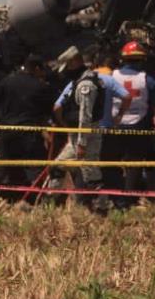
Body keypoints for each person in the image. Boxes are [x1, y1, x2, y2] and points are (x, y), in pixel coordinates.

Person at [50, 53, 132, 210]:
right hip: (105, 132)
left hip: (86, 136)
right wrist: (119, 116)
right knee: (106, 171)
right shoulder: (105, 80)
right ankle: (112, 205)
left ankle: (94, 206)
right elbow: (127, 96)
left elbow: (71, 111)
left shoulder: (81, 84)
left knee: (89, 173)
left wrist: (69, 129)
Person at [104, 41, 155, 198]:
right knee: (135, 163)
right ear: (142, 60)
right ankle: (129, 196)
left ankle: (113, 195)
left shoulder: (111, 77)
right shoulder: (148, 80)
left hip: (114, 127)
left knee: (111, 162)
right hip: (138, 127)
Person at [0, 54, 58, 187]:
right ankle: (35, 196)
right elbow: (48, 114)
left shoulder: (7, 81)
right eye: (41, 71)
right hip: (29, 132)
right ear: (36, 68)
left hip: (8, 131)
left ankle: (6, 196)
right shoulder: (41, 87)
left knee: (7, 167)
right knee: (33, 167)